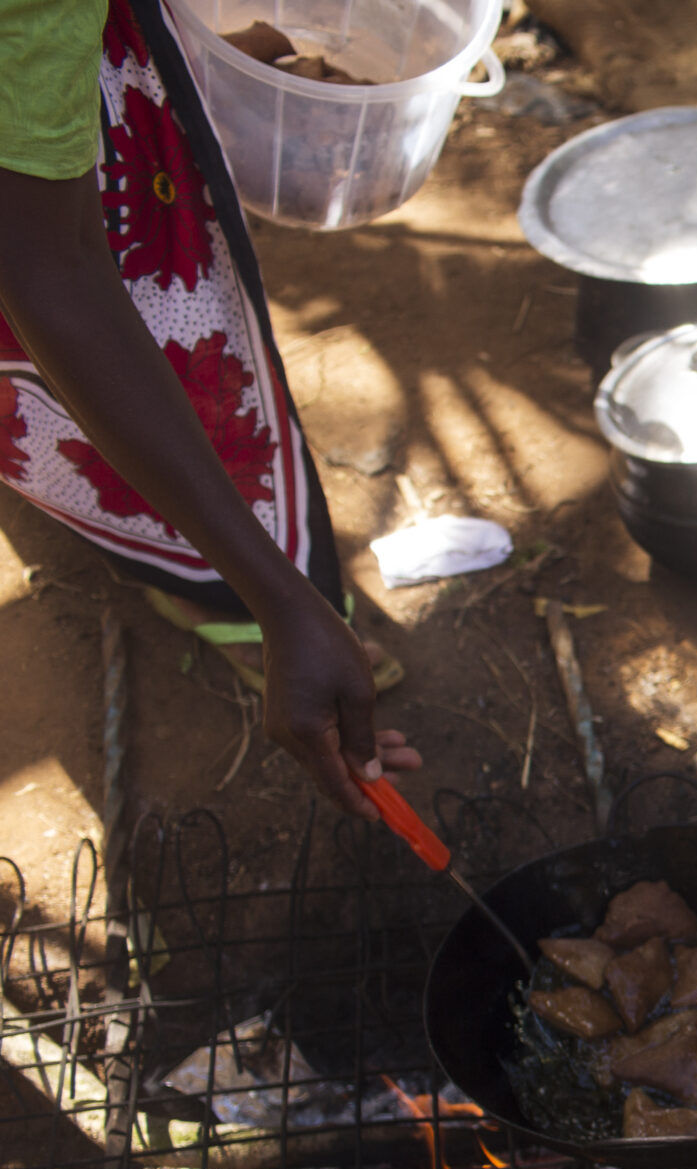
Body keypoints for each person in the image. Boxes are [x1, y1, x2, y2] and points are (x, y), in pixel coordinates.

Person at [0, 0, 418, 817]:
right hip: (62, 218)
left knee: (41, 403)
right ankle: (209, 581)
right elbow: (52, 269)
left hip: (37, 165)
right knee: (163, 380)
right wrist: (280, 599)